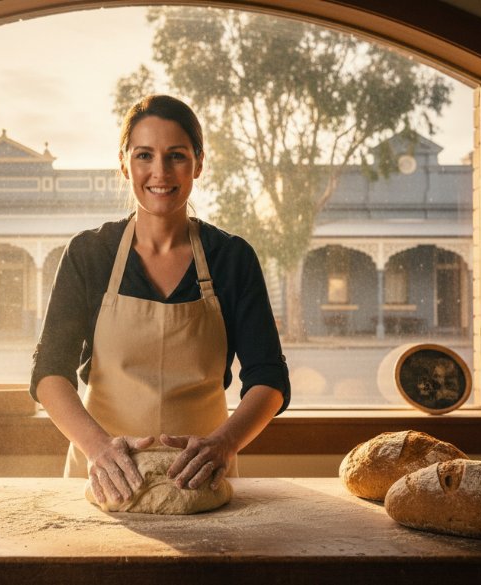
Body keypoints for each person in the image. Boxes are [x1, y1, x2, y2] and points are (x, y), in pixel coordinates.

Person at [29, 94, 290, 507]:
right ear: (124, 163)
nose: (160, 172)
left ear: (199, 164)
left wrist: (223, 444)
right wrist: (98, 448)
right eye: (144, 155)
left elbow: (269, 378)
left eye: (177, 156)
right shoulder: (89, 254)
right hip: (105, 481)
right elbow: (49, 373)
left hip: (201, 479)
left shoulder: (232, 259)